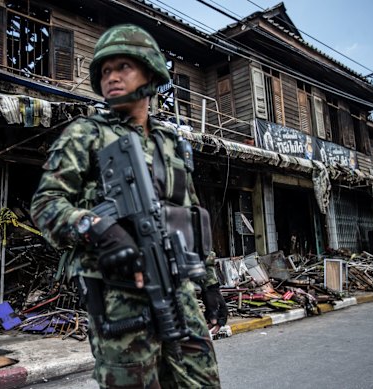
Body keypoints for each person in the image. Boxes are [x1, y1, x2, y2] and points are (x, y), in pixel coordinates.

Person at [30, 24, 227, 388]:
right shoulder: (85, 133)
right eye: (105, 71)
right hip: (119, 296)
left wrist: (211, 284)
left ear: (150, 74)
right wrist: (100, 230)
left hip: (178, 289)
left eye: (123, 67)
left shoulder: (171, 142)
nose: (112, 78)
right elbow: (46, 205)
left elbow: (192, 216)